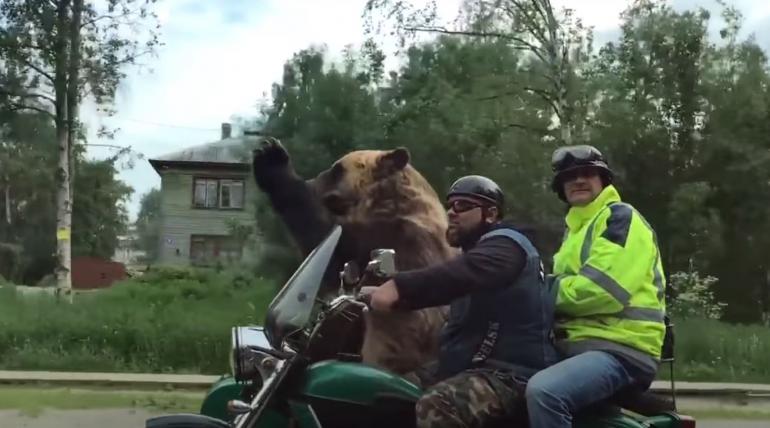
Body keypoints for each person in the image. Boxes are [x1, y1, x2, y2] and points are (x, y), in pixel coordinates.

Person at [361, 175, 557, 428]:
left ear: (491, 213)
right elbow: (444, 285)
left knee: (438, 405)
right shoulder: (478, 253)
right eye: (450, 205)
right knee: (385, 388)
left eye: (463, 206)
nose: (452, 212)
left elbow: (458, 276)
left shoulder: (507, 245)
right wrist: (378, 294)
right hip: (471, 366)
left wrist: (399, 287)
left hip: (509, 373)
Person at [525, 145, 667, 428]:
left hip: (620, 349)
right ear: (561, 187)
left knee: (545, 392)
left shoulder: (619, 218)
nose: (578, 180)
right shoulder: (575, 231)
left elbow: (602, 290)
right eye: (570, 176)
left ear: (603, 181)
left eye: (588, 174)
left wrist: (541, 290)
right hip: (578, 346)